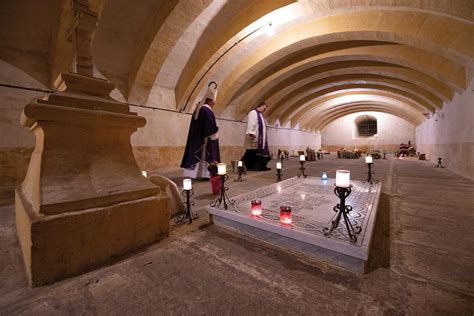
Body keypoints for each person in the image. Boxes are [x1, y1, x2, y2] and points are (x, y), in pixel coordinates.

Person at [180, 82, 220, 179]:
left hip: (199, 138)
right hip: (205, 140)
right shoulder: (206, 110)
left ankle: (198, 174)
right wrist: (215, 131)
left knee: (201, 157)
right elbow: (210, 126)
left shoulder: (199, 108)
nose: (214, 104)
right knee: (204, 156)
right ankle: (204, 174)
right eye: (213, 102)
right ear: (210, 101)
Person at [241, 101, 271, 171]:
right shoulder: (253, 113)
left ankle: (259, 166)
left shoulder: (260, 114)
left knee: (255, 153)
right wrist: (251, 133)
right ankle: (251, 166)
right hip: (254, 137)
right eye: (264, 108)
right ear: (261, 106)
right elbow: (251, 123)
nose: (265, 110)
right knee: (251, 153)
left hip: (260, 139)